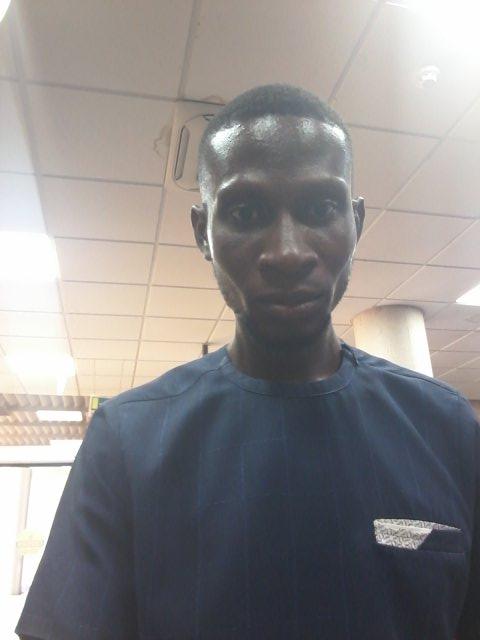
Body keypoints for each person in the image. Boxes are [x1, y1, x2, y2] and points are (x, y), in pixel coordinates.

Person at [16, 84, 479, 640]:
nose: (287, 252)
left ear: (355, 221)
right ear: (202, 232)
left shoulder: (446, 428)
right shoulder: (127, 442)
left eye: (320, 208)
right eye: (246, 212)